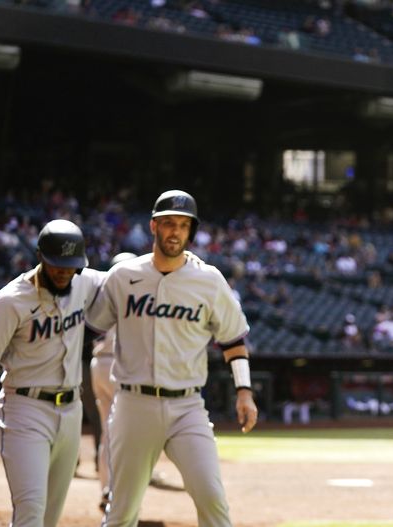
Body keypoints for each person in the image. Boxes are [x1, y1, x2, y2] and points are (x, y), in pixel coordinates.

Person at [87, 190, 258, 527]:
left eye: (182, 225)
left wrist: (244, 392)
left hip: (187, 406)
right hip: (134, 404)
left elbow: (234, 340)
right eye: (168, 223)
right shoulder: (123, 277)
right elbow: (89, 328)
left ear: (190, 231)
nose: (175, 231)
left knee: (212, 498)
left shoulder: (208, 280)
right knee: (122, 510)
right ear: (154, 226)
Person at [0, 219, 104, 526]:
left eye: (71, 265)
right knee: (31, 510)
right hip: (26, 410)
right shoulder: (10, 301)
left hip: (71, 411)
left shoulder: (85, 283)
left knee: (48, 518)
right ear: (40, 256)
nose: (64, 271)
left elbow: (131, 277)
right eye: (57, 264)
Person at [90, 251, 138, 511]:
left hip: (98, 364)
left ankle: (107, 488)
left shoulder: (101, 295)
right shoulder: (129, 296)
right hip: (120, 366)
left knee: (108, 433)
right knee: (127, 434)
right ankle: (120, 492)